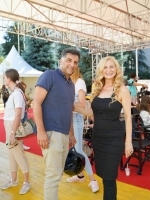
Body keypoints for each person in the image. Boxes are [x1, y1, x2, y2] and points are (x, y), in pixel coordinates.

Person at [74, 56, 133, 200]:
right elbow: (93, 113)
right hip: (98, 138)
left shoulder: (122, 90)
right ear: (101, 70)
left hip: (113, 139)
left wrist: (128, 141)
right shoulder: (97, 88)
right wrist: (74, 107)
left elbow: (128, 117)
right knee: (103, 176)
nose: (108, 70)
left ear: (116, 69)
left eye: (111, 67)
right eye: (105, 67)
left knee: (109, 177)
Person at [33, 47, 79, 200]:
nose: (72, 64)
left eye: (75, 62)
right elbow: (36, 103)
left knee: (57, 174)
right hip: (51, 134)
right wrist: (41, 131)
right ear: (61, 60)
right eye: (69, 60)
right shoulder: (49, 75)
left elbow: (68, 110)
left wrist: (71, 133)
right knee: (53, 177)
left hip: (64, 135)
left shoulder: (71, 85)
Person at [66, 67, 99, 192]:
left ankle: (92, 180)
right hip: (68, 120)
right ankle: (80, 175)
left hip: (76, 119)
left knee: (79, 149)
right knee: (74, 149)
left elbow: (82, 104)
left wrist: (67, 104)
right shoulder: (69, 83)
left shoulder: (79, 82)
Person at [1, 69, 31, 195]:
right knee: (11, 154)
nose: (4, 79)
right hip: (10, 126)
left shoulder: (17, 93)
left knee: (18, 154)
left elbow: (18, 114)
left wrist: (13, 132)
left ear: (9, 78)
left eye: (4, 77)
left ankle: (26, 183)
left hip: (13, 127)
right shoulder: (14, 92)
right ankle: (13, 180)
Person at [20, 81, 31, 151]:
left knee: (24, 129)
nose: (24, 89)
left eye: (25, 88)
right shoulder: (18, 94)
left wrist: (28, 104)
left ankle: (22, 144)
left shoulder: (23, 95)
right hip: (20, 114)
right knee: (21, 129)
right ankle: (20, 145)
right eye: (23, 88)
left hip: (24, 113)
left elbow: (26, 105)